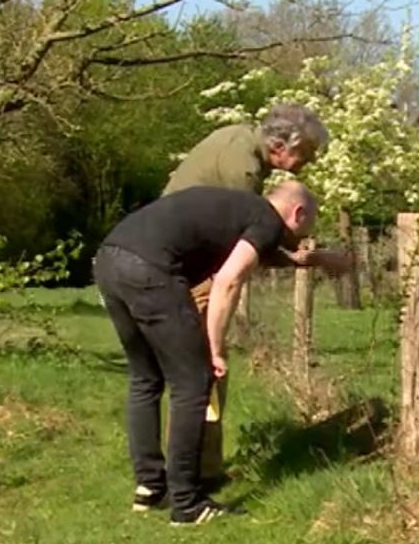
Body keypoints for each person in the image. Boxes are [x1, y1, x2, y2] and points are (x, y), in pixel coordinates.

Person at [93, 181, 322, 525]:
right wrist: (214, 349)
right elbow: (228, 280)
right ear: (298, 213)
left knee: (146, 378)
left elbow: (253, 252)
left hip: (110, 261)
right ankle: (186, 503)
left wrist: (304, 261)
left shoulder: (242, 209)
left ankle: (150, 487)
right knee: (193, 382)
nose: (307, 233)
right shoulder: (266, 220)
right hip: (151, 269)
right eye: (310, 224)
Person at [162, 102, 352, 485]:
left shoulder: (238, 140)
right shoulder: (244, 169)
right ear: (284, 146)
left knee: (186, 371)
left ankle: (181, 471)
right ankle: (194, 475)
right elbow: (247, 244)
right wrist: (308, 259)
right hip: (187, 268)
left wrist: (299, 260)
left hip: (169, 260)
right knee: (205, 369)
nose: (307, 164)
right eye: (307, 154)